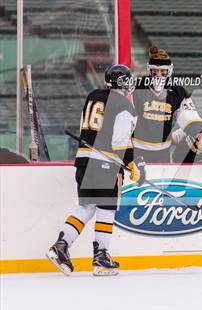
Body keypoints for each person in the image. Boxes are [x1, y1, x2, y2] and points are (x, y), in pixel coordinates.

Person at [46, 64, 144, 276]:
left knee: (86, 207)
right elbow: (120, 142)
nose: (130, 84)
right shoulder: (126, 108)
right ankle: (101, 258)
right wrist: (130, 163)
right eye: (127, 80)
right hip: (105, 164)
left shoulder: (93, 95)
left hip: (83, 160)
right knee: (106, 209)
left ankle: (61, 246)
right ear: (121, 83)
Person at [132, 45, 202, 163]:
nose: (159, 75)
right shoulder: (137, 87)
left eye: (163, 71)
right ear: (149, 70)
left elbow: (189, 117)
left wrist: (198, 133)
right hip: (137, 150)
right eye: (155, 71)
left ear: (169, 70)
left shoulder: (177, 91)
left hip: (163, 152)